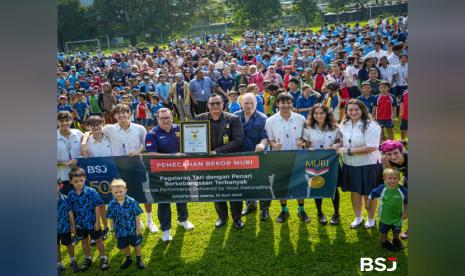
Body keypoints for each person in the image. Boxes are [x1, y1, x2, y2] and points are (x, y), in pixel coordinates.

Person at [80, 104, 158, 233]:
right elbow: (90, 131)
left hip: (136, 165)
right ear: (115, 116)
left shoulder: (139, 128)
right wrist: (83, 144)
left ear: (130, 113)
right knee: (123, 194)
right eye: (118, 113)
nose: (121, 115)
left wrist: (138, 151)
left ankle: (150, 220)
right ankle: (135, 219)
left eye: (124, 112)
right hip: (118, 168)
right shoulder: (109, 129)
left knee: (143, 194)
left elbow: (146, 146)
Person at [195, 94, 245, 229]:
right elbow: (193, 139)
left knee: (234, 190)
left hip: (230, 162)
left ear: (223, 104)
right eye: (212, 103)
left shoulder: (233, 119)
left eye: (218, 103)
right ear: (208, 105)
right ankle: (222, 217)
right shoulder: (199, 119)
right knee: (216, 190)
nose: (215, 106)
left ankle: (237, 218)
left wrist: (217, 152)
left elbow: (238, 141)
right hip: (209, 163)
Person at [145, 108, 195, 241]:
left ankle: (183, 220)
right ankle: (166, 230)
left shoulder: (180, 129)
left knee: (182, 195)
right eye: (163, 118)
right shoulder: (152, 134)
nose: (166, 120)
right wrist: (173, 156)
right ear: (158, 119)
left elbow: (192, 144)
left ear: (172, 117)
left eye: (168, 117)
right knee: (164, 201)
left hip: (181, 170)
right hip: (162, 173)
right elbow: (151, 154)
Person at [337, 99, 383, 229]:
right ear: (346, 111)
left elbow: (372, 147)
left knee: (369, 194)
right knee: (355, 192)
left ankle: (371, 218)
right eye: (350, 109)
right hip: (350, 164)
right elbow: (343, 141)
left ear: (362, 110)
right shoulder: (344, 123)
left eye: (356, 109)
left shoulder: (371, 125)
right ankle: (358, 217)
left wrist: (348, 150)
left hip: (368, 164)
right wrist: (337, 145)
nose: (353, 112)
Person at [264, 93, 309, 223]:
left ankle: (301, 210)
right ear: (277, 104)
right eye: (282, 102)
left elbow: (305, 137)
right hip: (280, 157)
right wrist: (273, 145)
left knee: (300, 184)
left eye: (288, 102)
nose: (286, 105)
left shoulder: (301, 119)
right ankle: (284, 210)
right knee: (282, 185)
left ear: (292, 103)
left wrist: (301, 140)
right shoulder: (270, 120)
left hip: (298, 157)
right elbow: (270, 139)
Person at [302, 104, 341, 225]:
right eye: (316, 113)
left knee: (333, 188)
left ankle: (336, 213)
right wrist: (306, 148)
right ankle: (320, 213)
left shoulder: (335, 127)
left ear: (327, 113)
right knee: (317, 186)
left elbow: (339, 143)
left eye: (321, 113)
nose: (319, 115)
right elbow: (306, 144)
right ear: (312, 115)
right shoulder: (308, 127)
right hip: (315, 162)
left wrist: (336, 145)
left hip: (331, 162)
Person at [234, 93, 270, 220]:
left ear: (256, 104)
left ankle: (264, 209)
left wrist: (262, 144)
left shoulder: (263, 118)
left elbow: (266, 137)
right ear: (241, 103)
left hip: (258, 156)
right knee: (246, 182)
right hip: (241, 156)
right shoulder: (235, 117)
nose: (249, 106)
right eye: (246, 103)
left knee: (263, 183)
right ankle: (250, 204)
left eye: (251, 103)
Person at [67, 167, 109, 271]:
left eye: (81, 180)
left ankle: (103, 258)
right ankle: (88, 259)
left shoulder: (91, 191)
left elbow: (97, 206)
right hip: (80, 224)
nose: (79, 183)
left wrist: (97, 222)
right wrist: (73, 226)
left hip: (92, 223)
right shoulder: (70, 195)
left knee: (98, 240)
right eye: (76, 181)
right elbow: (70, 211)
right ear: (71, 182)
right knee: (84, 241)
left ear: (85, 178)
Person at [106, 179, 145, 269]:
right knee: (124, 245)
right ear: (112, 192)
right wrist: (112, 229)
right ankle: (128, 259)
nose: (119, 194)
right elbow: (110, 217)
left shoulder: (131, 201)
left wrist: (138, 227)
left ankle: (139, 259)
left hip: (132, 228)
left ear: (125, 190)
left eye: (121, 192)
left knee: (136, 244)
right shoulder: (112, 204)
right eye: (116, 192)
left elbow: (137, 215)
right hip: (120, 230)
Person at [84, 116, 112, 242]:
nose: (96, 127)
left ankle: (114, 226)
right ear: (88, 127)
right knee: (99, 204)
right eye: (92, 125)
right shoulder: (85, 142)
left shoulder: (110, 138)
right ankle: (104, 227)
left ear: (103, 124)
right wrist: (84, 142)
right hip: (95, 177)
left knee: (112, 201)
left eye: (98, 124)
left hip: (111, 174)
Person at [366, 168, 408, 251]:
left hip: (397, 216)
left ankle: (396, 239)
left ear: (399, 179)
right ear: (384, 179)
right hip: (385, 217)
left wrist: (406, 212)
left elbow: (407, 202)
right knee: (384, 230)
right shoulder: (382, 188)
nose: (392, 181)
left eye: (395, 178)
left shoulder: (402, 190)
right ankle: (384, 241)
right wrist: (368, 203)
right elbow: (372, 194)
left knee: (396, 230)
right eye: (390, 178)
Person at [57, 111, 82, 195]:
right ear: (57, 122)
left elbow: (89, 134)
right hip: (63, 177)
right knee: (67, 205)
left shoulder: (78, 133)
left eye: (67, 120)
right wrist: (66, 163)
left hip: (80, 177)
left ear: (71, 121)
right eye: (61, 121)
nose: (64, 123)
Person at [56, 179, 79, 275]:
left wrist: (73, 226)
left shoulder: (65, 199)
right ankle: (59, 264)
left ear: (60, 186)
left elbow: (70, 213)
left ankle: (73, 261)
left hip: (65, 227)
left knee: (69, 244)